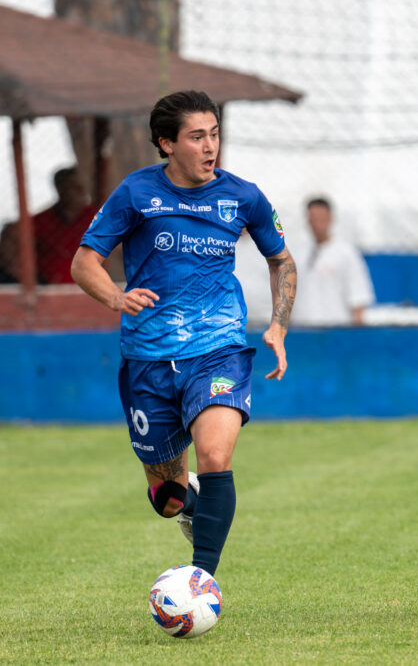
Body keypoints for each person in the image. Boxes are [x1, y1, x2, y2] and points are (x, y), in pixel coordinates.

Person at [71, 90, 296, 581]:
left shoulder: (243, 196)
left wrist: (278, 324)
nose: (210, 146)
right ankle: (193, 504)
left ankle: (200, 582)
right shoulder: (135, 193)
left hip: (218, 351)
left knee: (216, 454)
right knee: (168, 499)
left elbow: (280, 260)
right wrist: (115, 297)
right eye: (197, 137)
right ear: (166, 143)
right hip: (148, 360)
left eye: (214, 134)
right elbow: (84, 262)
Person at [290, 197, 374, 326]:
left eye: (321, 218)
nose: (316, 223)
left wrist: (356, 335)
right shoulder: (298, 253)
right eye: (312, 218)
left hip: (336, 328)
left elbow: (358, 297)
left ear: (330, 219)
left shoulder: (346, 253)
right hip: (302, 328)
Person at [35, 166, 99, 284]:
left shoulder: (96, 217)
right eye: (74, 186)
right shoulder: (40, 221)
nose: (81, 190)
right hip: (49, 288)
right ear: (60, 189)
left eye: (83, 186)